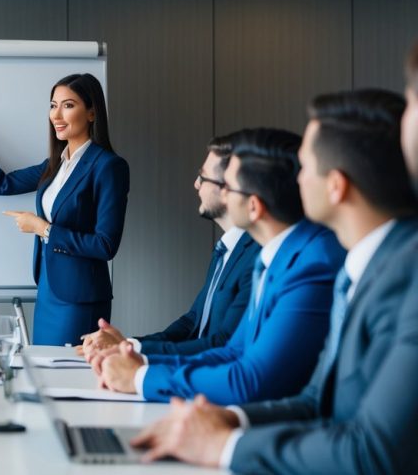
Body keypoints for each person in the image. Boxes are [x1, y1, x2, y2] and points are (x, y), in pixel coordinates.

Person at [131, 85, 418, 474]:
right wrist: (231, 423)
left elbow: (372, 452)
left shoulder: (389, 272)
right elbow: (317, 399)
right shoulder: (357, 266)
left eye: (305, 166)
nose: (295, 180)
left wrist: (226, 446)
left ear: (335, 185)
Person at [97, 129, 345, 405]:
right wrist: (140, 362)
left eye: (227, 187)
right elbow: (232, 351)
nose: (222, 196)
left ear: (253, 207)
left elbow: (250, 378)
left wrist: (141, 377)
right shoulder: (274, 257)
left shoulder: (311, 261)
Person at [0, 73, 130, 344]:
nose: (56, 115)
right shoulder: (55, 165)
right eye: (53, 105)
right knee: (44, 372)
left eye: (68, 105)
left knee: (69, 377)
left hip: (79, 299)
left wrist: (43, 228)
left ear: (91, 113)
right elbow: (1, 184)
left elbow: (105, 245)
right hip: (48, 292)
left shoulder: (108, 166)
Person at [80, 132, 259, 358]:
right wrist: (128, 343)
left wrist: (131, 351)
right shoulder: (224, 250)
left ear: (228, 189)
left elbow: (223, 344)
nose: (196, 185)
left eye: (203, 178)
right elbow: (193, 321)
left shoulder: (256, 256)